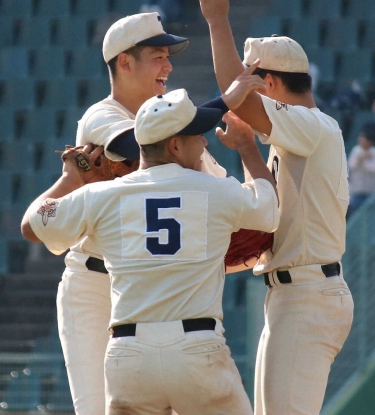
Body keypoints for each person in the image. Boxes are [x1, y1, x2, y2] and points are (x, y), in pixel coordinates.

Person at [21, 85, 279, 414]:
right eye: (197, 135)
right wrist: (247, 148)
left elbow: (35, 219)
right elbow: (269, 212)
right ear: (174, 145)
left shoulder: (104, 196)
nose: (203, 143)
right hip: (196, 349)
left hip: (129, 356)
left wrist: (72, 177)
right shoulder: (214, 189)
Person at [198, 0, 354, 415]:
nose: (246, 83)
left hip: (307, 294)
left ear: (267, 82)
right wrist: (249, 150)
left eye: (252, 77)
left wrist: (217, 22)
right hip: (295, 293)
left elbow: (234, 95)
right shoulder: (301, 135)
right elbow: (272, 208)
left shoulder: (311, 125)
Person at [53, 12, 191, 415]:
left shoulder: (173, 123)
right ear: (124, 63)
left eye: (168, 56)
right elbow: (135, 146)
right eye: (157, 56)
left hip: (150, 288)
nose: (168, 65)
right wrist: (225, 102)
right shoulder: (102, 115)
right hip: (94, 286)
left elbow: (214, 186)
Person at [347, 120, 375, 217]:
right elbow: (351, 165)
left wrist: (365, 160)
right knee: (355, 215)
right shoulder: (356, 150)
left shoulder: (373, 152)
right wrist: (362, 158)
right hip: (357, 190)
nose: (360, 139)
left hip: (370, 191)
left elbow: (373, 169)